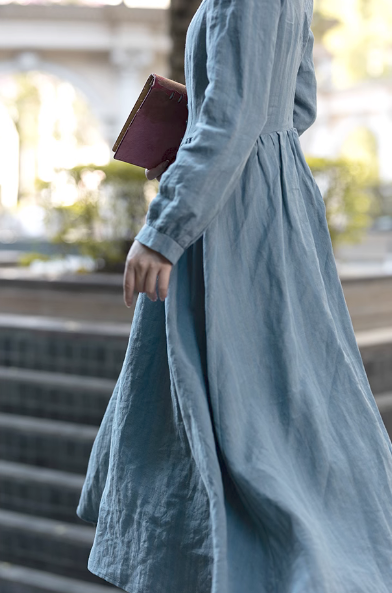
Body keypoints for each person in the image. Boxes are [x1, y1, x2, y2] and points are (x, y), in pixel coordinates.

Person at [76, 0, 392, 591]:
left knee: (249, 418)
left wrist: (165, 228)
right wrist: (204, 153)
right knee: (268, 405)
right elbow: (294, 106)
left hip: (233, 227)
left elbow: (233, 117)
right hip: (264, 212)